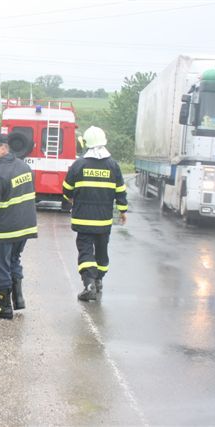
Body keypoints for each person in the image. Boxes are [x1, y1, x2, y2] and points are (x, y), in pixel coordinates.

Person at [63, 126, 127, 301]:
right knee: (101, 252)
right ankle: (98, 280)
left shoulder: (79, 165)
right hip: (103, 221)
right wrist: (123, 210)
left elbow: (66, 189)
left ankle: (89, 284)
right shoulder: (113, 166)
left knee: (85, 252)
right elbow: (120, 190)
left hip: (83, 219)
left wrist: (71, 198)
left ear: (87, 143)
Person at [0, 133, 38, 319]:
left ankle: (4, 307)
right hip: (25, 226)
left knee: (0, 266)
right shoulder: (24, 167)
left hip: (4, 228)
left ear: (4, 148)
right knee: (14, 261)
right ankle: (18, 300)